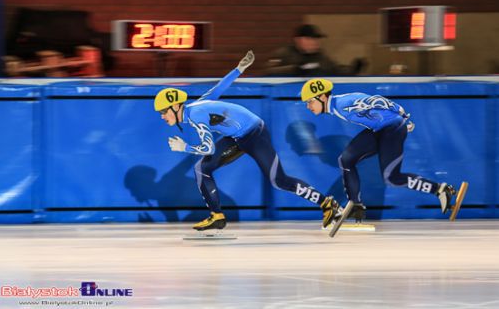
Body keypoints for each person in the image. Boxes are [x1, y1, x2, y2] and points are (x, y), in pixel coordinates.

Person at [154, 51, 342, 231]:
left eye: (164, 111)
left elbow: (208, 147)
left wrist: (184, 147)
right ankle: (217, 216)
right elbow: (218, 88)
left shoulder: (196, 115)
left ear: (176, 106)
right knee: (201, 169)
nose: (162, 116)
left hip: (255, 134)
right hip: (237, 136)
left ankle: (327, 204)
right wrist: (239, 69)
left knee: (279, 180)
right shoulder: (196, 105)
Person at [300, 78, 461, 221]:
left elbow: (376, 100)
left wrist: (402, 118)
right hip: (380, 130)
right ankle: (355, 205)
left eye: (310, 102)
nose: (308, 106)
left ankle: (440, 190)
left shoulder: (342, 104)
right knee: (346, 159)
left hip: (392, 129)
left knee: (392, 178)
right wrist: (402, 115)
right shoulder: (337, 104)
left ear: (322, 97)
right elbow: (373, 100)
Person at [266, 24, 365, 77]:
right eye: (310, 38)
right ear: (298, 40)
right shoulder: (284, 54)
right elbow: (269, 71)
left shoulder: (322, 57)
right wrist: (295, 70)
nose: (315, 42)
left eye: (317, 39)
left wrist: (353, 69)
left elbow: (336, 70)